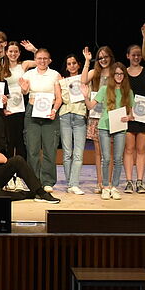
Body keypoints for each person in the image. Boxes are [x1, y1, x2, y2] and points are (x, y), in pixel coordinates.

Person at [19, 48, 62, 193]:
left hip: (50, 113)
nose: (42, 61)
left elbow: (59, 97)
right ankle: (34, 181)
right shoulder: (29, 74)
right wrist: (24, 89)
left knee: (50, 148)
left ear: (49, 60)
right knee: (32, 149)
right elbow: (24, 91)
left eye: (45, 58)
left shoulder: (55, 75)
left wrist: (54, 110)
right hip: (32, 112)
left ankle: (47, 181)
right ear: (35, 60)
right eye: (39, 58)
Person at [87, 63, 133, 200]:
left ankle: (115, 187)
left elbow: (132, 113)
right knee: (106, 158)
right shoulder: (104, 89)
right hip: (104, 126)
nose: (119, 76)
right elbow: (90, 106)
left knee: (118, 159)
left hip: (120, 127)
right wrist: (85, 96)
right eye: (116, 74)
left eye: (121, 74)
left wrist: (129, 117)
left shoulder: (128, 92)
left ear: (124, 76)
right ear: (112, 76)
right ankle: (105, 186)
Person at [122, 27, 145, 193]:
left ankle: (140, 181)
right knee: (129, 149)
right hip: (129, 116)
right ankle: (129, 181)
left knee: (142, 150)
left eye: (138, 54)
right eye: (133, 54)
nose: (136, 57)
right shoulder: (124, 73)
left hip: (144, 116)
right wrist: (128, 112)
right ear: (128, 56)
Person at [82, 46, 116, 194]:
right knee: (98, 152)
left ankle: (108, 183)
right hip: (96, 115)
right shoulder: (94, 73)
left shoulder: (117, 72)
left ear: (110, 57)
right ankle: (100, 182)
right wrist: (87, 61)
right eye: (100, 57)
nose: (103, 60)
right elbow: (83, 80)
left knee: (110, 152)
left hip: (112, 116)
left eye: (105, 57)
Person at [57, 50, 90, 195]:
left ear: (79, 65)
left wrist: (87, 61)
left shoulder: (83, 79)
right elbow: (59, 99)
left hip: (79, 116)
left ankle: (74, 184)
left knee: (78, 153)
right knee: (67, 153)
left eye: (74, 63)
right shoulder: (61, 81)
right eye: (69, 64)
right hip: (64, 115)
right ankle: (71, 183)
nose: (71, 66)